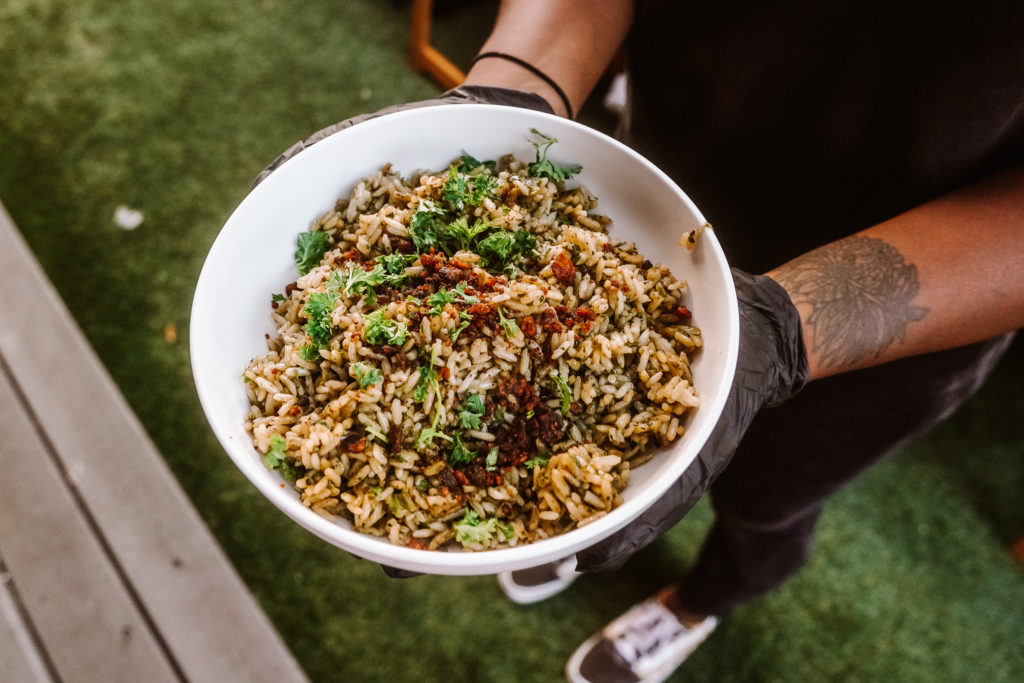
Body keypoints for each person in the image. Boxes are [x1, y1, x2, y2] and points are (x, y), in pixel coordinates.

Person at [262, 2, 1024, 681]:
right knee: (606, 484)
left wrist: (790, 329)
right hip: (659, 206)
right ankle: (560, 532)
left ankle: (697, 601)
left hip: (907, 301)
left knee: (769, 499)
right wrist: (511, 88)